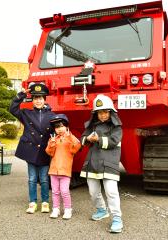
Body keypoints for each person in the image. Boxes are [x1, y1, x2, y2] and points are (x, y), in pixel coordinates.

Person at [80, 94, 123, 233]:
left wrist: (98, 139)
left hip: (109, 163)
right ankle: (102, 210)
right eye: (99, 112)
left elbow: (113, 142)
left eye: (105, 112)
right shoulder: (91, 125)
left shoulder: (117, 127)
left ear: (111, 112)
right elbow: (83, 139)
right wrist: (88, 138)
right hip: (92, 162)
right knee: (93, 192)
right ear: (96, 113)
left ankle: (117, 218)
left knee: (111, 192)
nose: (103, 115)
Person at [9, 83, 55, 214]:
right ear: (32, 100)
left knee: (45, 179)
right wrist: (22, 94)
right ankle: (33, 202)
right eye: (35, 98)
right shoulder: (26, 113)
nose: (38, 100)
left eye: (41, 98)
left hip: (45, 152)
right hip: (31, 151)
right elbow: (12, 109)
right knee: (32, 179)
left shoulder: (52, 115)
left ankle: (45, 202)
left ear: (45, 99)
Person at [45, 114, 81, 219]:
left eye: (61, 126)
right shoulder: (53, 139)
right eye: (56, 127)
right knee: (55, 191)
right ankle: (55, 209)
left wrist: (70, 137)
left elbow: (76, 148)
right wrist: (51, 143)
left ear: (66, 126)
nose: (59, 129)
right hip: (53, 170)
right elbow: (49, 152)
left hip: (65, 170)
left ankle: (68, 210)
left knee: (65, 191)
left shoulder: (71, 137)